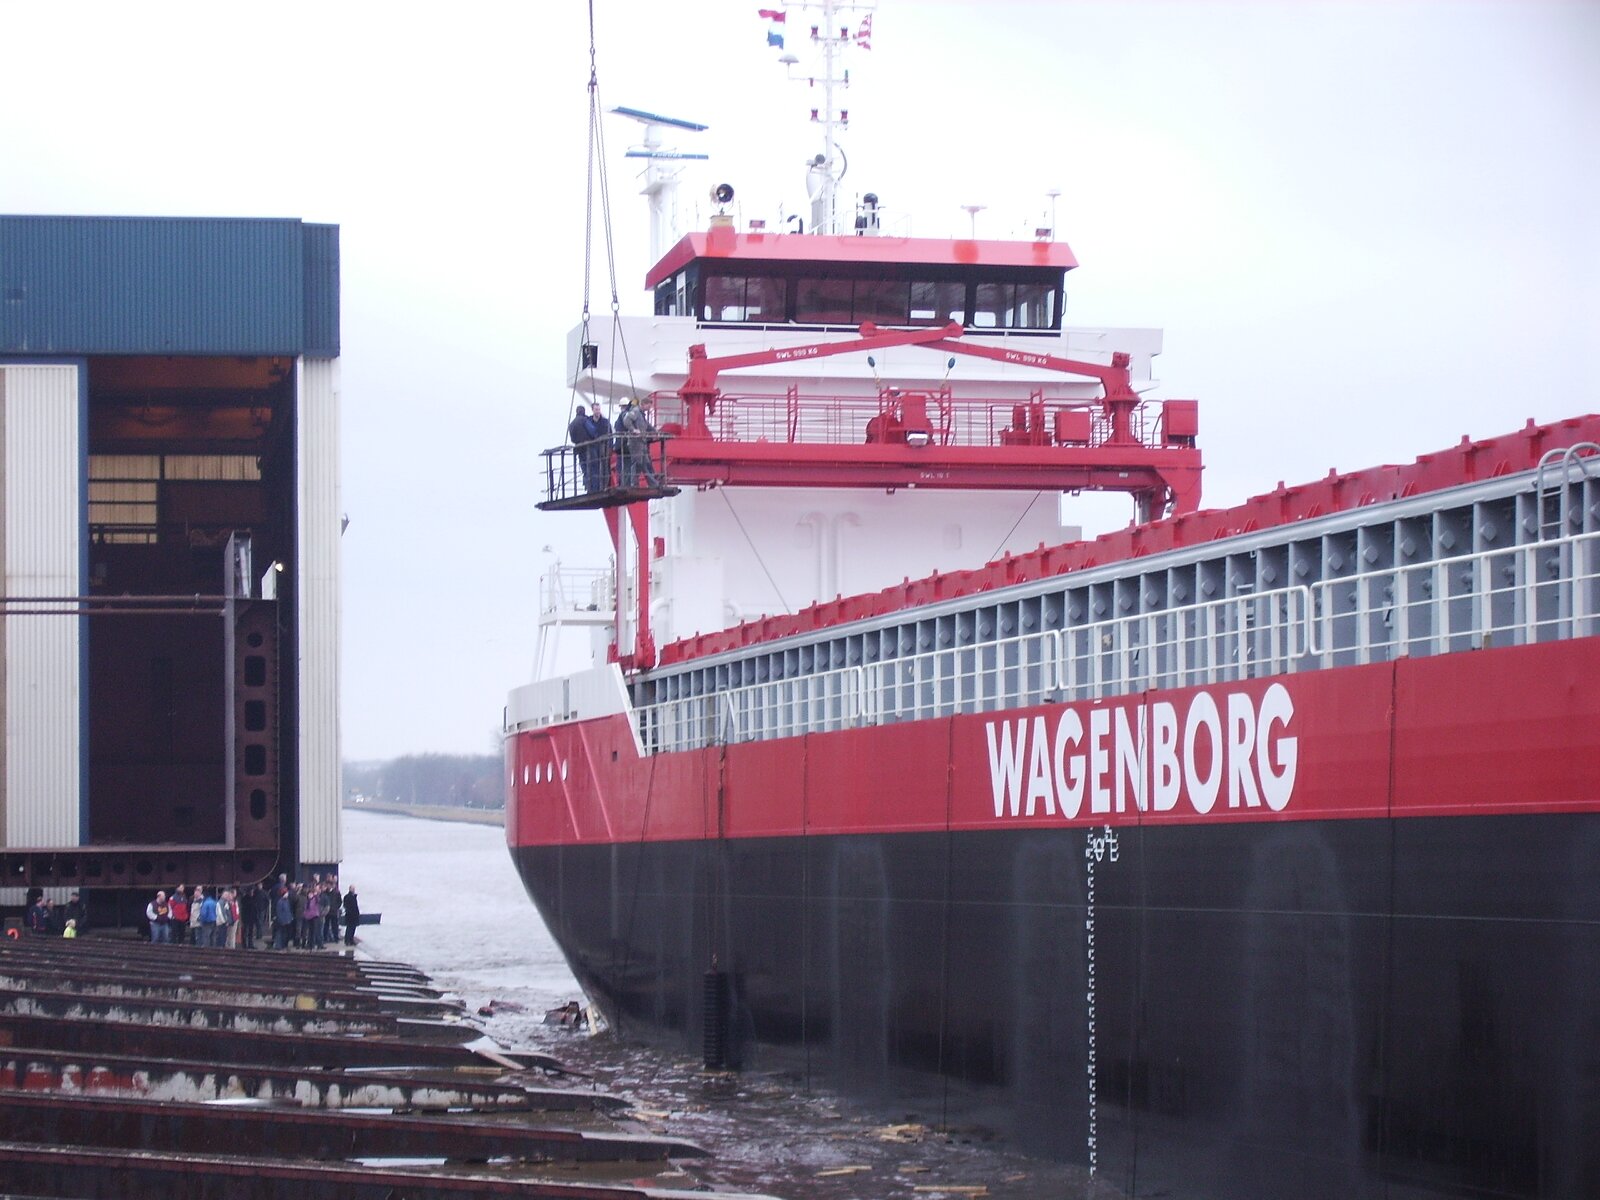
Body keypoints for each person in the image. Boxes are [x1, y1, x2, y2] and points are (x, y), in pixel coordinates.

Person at [615, 398, 662, 487]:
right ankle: (635, 483)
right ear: (644, 404)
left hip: (641, 442)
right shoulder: (636, 411)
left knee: (645, 463)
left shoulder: (641, 414)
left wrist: (655, 431)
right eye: (648, 406)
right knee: (637, 462)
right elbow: (626, 420)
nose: (649, 408)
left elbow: (646, 425)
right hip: (635, 442)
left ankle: (652, 483)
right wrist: (633, 430)